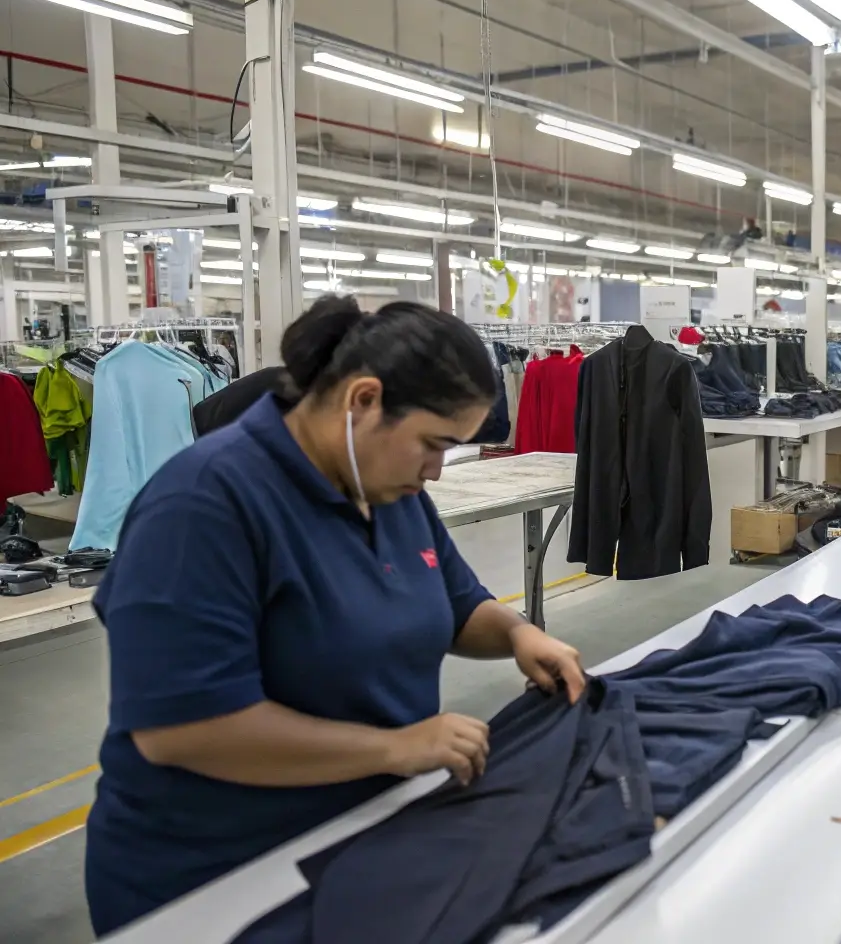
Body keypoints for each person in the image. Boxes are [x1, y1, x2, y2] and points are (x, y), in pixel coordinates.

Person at [84, 296, 587, 935]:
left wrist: (519, 634)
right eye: (432, 444)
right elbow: (181, 729)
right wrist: (396, 747)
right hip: (218, 878)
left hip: (359, 834)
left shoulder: (386, 487)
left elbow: (457, 603)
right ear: (363, 400)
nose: (437, 471)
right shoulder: (201, 505)